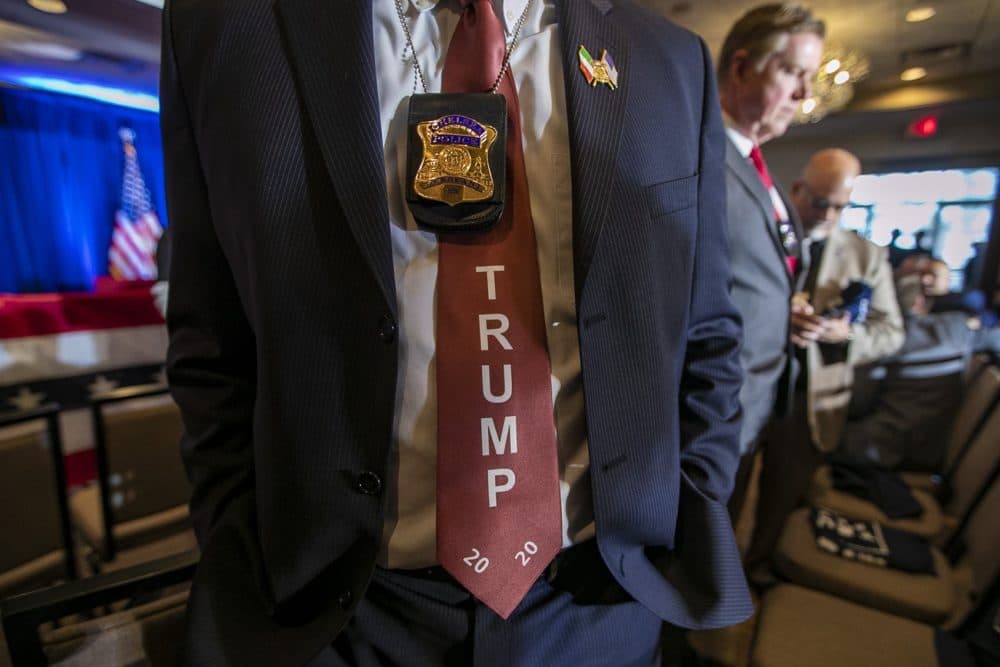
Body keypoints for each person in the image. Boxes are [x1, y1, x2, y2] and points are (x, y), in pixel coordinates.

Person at [159, 1, 751, 664]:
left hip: (597, 600)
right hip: (337, 612)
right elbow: (210, 333)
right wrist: (231, 522)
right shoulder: (230, 30)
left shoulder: (669, 57)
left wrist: (693, 487)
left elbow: (707, 329)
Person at [745, 148, 904, 568]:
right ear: (798, 190)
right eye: (820, 203)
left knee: (781, 503)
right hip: (749, 388)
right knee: (725, 494)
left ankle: (758, 572)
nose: (829, 215)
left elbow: (891, 333)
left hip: (810, 404)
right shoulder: (761, 235)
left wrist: (844, 334)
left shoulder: (866, 256)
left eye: (841, 206)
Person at [715, 3, 825, 518]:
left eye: (810, 78)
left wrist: (789, 313)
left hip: (757, 406)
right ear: (741, 68)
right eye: (792, 73)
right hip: (713, 416)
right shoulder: (698, 162)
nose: (805, 95)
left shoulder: (765, 176)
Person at [837, 275, 983, 471]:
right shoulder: (957, 327)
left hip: (879, 448)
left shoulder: (886, 342)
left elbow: (857, 401)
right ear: (921, 301)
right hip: (932, 451)